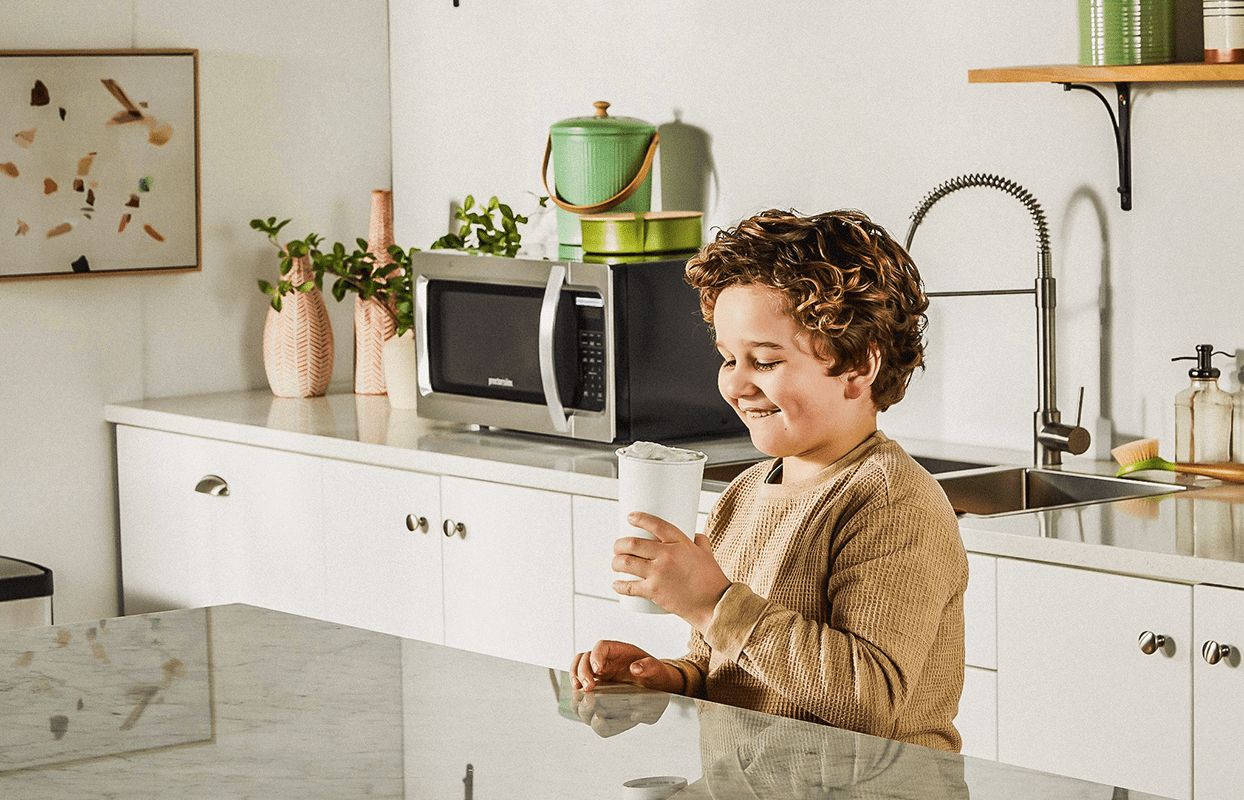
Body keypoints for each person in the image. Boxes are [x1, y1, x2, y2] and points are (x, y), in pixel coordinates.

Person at [570, 208, 968, 753]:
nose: (735, 383)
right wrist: (665, 679)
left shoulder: (891, 501)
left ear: (858, 368)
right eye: (728, 357)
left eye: (764, 360)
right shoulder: (744, 495)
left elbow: (868, 700)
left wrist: (711, 602)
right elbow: (732, 668)